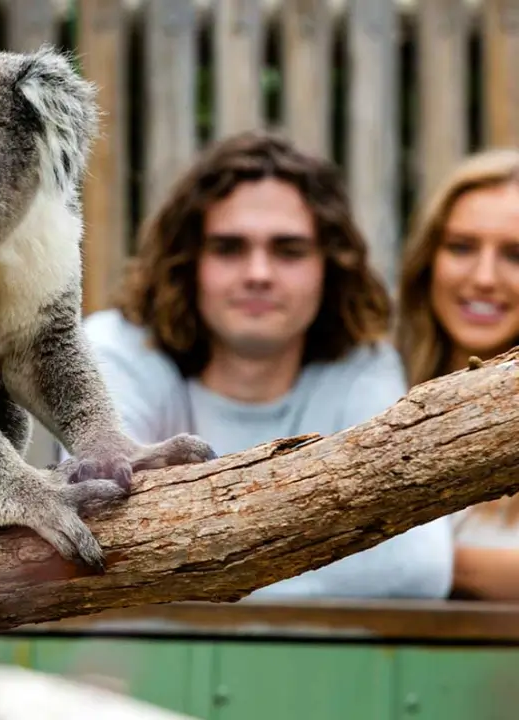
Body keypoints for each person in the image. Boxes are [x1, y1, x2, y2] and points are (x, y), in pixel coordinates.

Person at [81, 130, 454, 599]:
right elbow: (107, 534)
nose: (258, 273)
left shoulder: (362, 367)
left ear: (329, 265)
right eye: (229, 248)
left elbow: (414, 568)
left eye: (288, 250)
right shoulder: (118, 348)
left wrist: (193, 575)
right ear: (189, 260)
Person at [394, 147, 519, 599]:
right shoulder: (374, 387)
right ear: (429, 260)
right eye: (461, 247)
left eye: (515, 255)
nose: (484, 278)